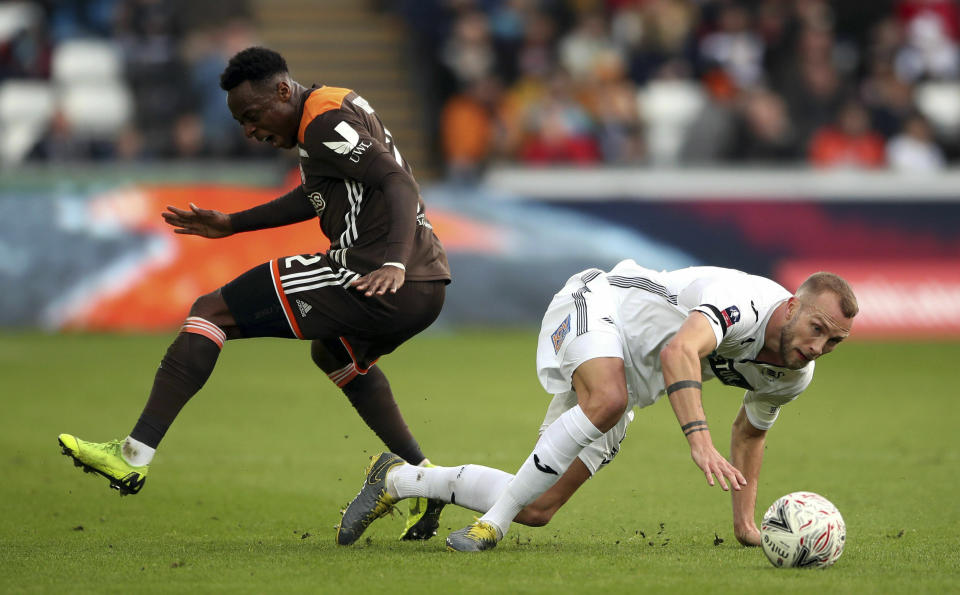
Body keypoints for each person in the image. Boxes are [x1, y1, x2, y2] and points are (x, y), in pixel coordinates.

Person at [57, 47, 451, 541]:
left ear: (283, 92)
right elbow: (316, 196)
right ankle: (424, 479)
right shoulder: (331, 106)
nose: (250, 131)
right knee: (333, 353)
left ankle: (132, 455)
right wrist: (233, 224)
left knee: (211, 311)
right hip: (426, 283)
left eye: (252, 115)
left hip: (378, 272)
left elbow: (397, 180)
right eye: (241, 122)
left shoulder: (323, 122)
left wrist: (392, 258)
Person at [335, 261, 857, 551]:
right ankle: (491, 525)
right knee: (609, 399)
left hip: (629, 376)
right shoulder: (742, 301)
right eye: (816, 329)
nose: (818, 348)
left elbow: (751, 432)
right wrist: (698, 440)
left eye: (834, 343)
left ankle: (400, 481)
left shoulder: (793, 375)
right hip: (597, 302)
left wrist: (745, 523)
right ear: (792, 306)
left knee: (538, 508)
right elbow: (681, 350)